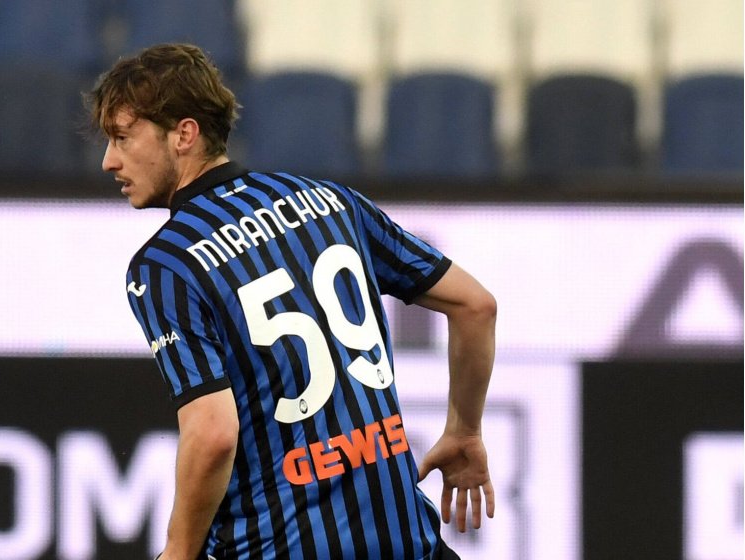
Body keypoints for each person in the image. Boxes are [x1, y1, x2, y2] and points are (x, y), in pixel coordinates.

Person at [86, 43, 497, 560]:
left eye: (123, 138)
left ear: (184, 134)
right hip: (407, 542)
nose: (109, 161)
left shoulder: (167, 265)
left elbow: (212, 434)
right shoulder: (332, 202)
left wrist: (178, 552)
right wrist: (464, 429)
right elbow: (475, 306)